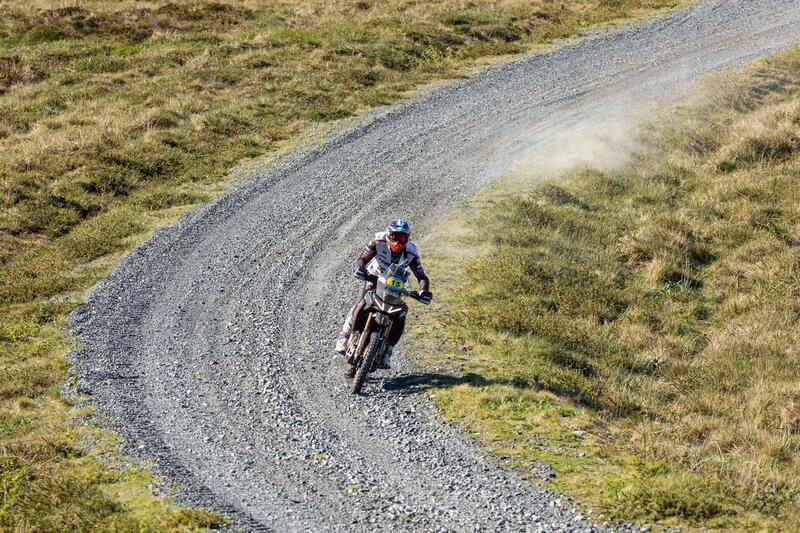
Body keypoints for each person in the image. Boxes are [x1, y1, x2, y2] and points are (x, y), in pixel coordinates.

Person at [335, 219, 432, 369]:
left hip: (396, 286)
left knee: (400, 314)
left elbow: (421, 276)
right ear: (388, 235)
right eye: (395, 237)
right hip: (375, 278)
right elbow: (362, 259)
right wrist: (360, 268)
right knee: (361, 303)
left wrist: (423, 291)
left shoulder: (412, 252)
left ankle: (388, 351)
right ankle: (345, 336)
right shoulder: (377, 242)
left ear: (407, 239)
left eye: (402, 238)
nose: (398, 242)